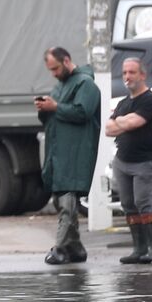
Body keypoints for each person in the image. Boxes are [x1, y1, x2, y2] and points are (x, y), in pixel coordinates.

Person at [35, 46, 100, 264]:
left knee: (67, 201)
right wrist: (44, 109)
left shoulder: (86, 84)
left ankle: (60, 247)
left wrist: (55, 107)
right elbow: (54, 115)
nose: (53, 73)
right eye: (50, 70)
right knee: (60, 199)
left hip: (76, 152)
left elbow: (83, 112)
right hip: (59, 153)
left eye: (55, 68)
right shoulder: (60, 86)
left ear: (66, 60)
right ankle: (76, 247)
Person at [105, 57, 152, 264]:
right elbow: (108, 129)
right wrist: (123, 122)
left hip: (144, 161)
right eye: (124, 73)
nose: (127, 77)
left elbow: (135, 122)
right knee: (128, 204)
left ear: (142, 74)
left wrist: (120, 121)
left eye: (131, 72)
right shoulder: (124, 103)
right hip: (122, 160)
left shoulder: (151, 100)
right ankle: (139, 249)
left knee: (144, 202)